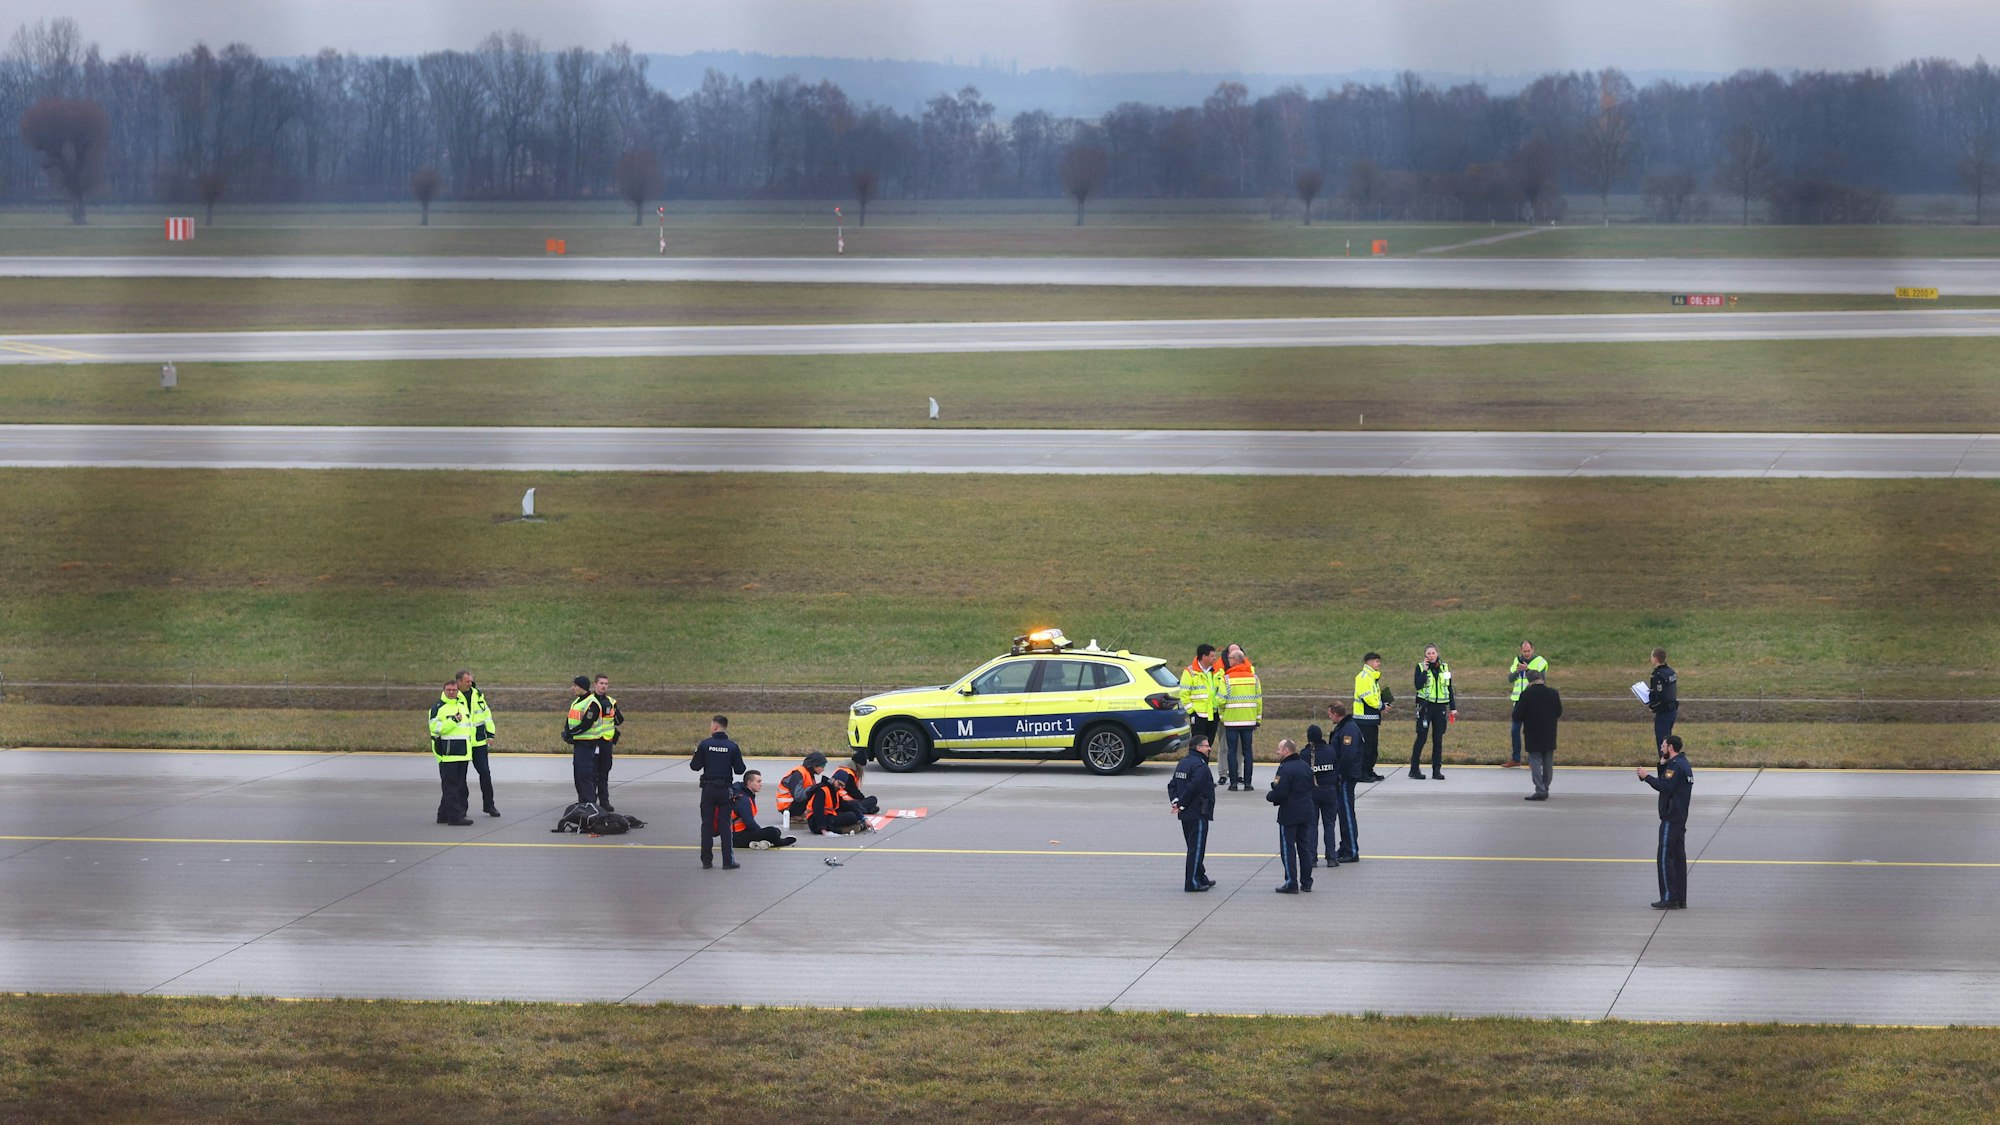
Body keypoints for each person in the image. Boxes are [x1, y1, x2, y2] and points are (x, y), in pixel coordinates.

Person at [1638, 735, 1694, 909]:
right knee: (1678, 858)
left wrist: (1647, 776)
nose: (1661, 748)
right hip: (1679, 817)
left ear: (1670, 747)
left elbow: (1665, 786)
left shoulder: (1676, 766)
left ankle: (1669, 897)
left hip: (1671, 817)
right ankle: (1679, 898)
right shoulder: (1681, 764)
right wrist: (1661, 764)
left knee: (1664, 857)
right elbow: (1668, 781)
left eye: (1663, 745)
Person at [690, 714, 746, 869]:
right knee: (725, 826)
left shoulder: (704, 745)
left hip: (708, 789)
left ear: (714, 727)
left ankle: (706, 861)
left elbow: (694, 766)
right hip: (725, 790)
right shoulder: (732, 746)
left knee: (706, 825)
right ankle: (728, 861)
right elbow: (740, 769)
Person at [1167, 735, 1217, 892]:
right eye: (1206, 745)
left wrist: (1176, 801)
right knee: (1197, 848)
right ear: (1198, 748)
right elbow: (1194, 787)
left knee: (1193, 846)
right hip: (1197, 812)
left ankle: (1201, 876)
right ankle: (1192, 882)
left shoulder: (1183, 763)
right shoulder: (1200, 766)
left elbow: (1172, 785)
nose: (1209, 748)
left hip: (1186, 813)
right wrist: (1181, 804)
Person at [1267, 739, 1314, 893]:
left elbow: (1280, 792)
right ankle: (1307, 882)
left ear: (1287, 751)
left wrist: (1270, 796)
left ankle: (1291, 882)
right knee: (1304, 847)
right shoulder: (1305, 766)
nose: (1277, 752)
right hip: (1306, 812)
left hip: (1289, 814)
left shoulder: (1285, 769)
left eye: (1279, 749)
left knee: (1288, 848)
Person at [427, 678, 475, 826]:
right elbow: (435, 728)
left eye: (454, 690)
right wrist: (453, 720)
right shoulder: (438, 708)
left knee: (457, 786)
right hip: (448, 755)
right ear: (444, 690)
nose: (452, 692)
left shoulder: (462, 705)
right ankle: (455, 817)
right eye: (449, 690)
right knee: (451, 787)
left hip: (463, 753)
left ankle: (443, 815)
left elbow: (468, 727)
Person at [1511, 669, 1563, 800]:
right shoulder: (1553, 693)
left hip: (1533, 732)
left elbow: (1517, 715)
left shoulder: (1527, 694)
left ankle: (1540, 789)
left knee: (1535, 760)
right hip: (1550, 732)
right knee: (1548, 762)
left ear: (1529, 680)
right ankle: (1545, 788)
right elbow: (1558, 712)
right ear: (1541, 678)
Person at [1219, 644, 1263, 791]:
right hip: (1249, 720)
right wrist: (1257, 719)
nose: (1228, 660)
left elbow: (1221, 700)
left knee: (1231, 751)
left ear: (1236, 660)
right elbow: (1258, 700)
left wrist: (1222, 713)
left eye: (1230, 658)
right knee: (1247, 751)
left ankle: (1233, 783)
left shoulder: (1227, 679)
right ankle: (1248, 783)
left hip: (1232, 720)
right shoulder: (1254, 679)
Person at [455, 669, 499, 817]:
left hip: (479, 742)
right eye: (467, 681)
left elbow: (487, 716)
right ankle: (462, 808)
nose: (470, 683)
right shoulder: (453, 697)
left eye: (471, 681)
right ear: (459, 682)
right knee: (461, 778)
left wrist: (490, 734)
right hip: (461, 743)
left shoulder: (478, 695)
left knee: (485, 773)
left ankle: (489, 805)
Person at [1300, 723, 1344, 871]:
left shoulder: (1305, 754)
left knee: (1312, 826)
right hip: (1330, 791)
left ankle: (1312, 858)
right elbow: (1337, 769)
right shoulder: (1331, 751)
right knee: (1329, 825)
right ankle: (1331, 857)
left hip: (1312, 793)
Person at [562, 676, 610, 806]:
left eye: (575, 686)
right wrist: (567, 732)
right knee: (578, 776)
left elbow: (586, 724)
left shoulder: (592, 703)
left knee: (585, 776)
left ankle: (590, 805)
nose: (573, 688)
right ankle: (582, 804)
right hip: (578, 744)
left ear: (582, 687)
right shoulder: (577, 701)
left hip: (588, 745)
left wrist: (571, 734)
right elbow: (570, 719)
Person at [1325, 702, 1365, 862]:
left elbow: (1347, 755)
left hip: (1346, 777)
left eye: (1329, 713)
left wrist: (1339, 773)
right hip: (1344, 776)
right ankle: (1345, 846)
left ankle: (1352, 850)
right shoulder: (1344, 727)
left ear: (1335, 713)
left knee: (1347, 813)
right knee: (1343, 813)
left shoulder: (1348, 730)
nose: (1329, 716)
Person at [1409, 644, 1455, 780]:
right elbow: (1418, 685)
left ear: (1437, 653)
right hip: (1425, 707)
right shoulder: (1420, 667)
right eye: (1428, 653)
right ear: (1425, 655)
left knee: (1438, 739)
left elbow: (1449, 688)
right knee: (1421, 737)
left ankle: (1436, 770)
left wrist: (1453, 707)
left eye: (1433, 653)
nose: (1431, 656)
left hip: (1440, 707)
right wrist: (1424, 670)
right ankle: (1414, 769)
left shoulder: (1444, 668)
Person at [1504, 642, 1548, 769]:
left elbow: (1542, 679)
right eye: (1524, 651)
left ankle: (1534, 760)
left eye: (1528, 651)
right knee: (1514, 730)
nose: (1526, 654)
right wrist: (1517, 671)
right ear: (1521, 651)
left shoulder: (1540, 662)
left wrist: (1527, 669)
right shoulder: (1516, 660)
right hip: (1519, 700)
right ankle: (1515, 759)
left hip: (1534, 700)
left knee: (1532, 731)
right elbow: (1510, 679)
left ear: (1533, 650)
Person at [731, 770, 796, 850]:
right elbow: (749, 823)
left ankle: (761, 843)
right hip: (738, 837)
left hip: (739, 834)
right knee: (773, 831)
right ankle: (778, 842)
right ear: (749, 783)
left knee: (776, 831)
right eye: (758, 782)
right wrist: (760, 833)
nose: (761, 784)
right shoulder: (744, 800)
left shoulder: (745, 796)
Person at [1352, 652, 1392, 782]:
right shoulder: (1363, 677)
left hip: (1372, 718)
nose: (1379, 664)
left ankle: (1369, 770)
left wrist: (1383, 703)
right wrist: (1381, 706)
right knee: (1366, 747)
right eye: (1376, 661)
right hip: (1364, 719)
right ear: (1369, 662)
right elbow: (1368, 698)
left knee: (1373, 747)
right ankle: (1362, 772)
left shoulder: (1372, 678)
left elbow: (1374, 696)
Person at [590, 674, 624, 811]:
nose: (604, 686)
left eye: (606, 684)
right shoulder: (589, 701)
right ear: (595, 685)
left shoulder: (611, 702)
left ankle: (604, 801)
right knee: (592, 774)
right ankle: (591, 802)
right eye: (601, 683)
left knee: (604, 773)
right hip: (593, 743)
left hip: (606, 743)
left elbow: (619, 720)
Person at [1179, 644, 1224, 748]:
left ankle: (1204, 764)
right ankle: (1196, 764)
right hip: (1198, 715)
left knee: (1208, 745)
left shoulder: (1218, 671)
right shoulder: (1190, 672)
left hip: (1213, 714)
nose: (1215, 658)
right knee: (1197, 745)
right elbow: (1184, 694)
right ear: (1204, 657)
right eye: (1212, 656)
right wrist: (1192, 712)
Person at [776, 751, 828, 825]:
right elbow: (798, 796)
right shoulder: (798, 773)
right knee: (815, 791)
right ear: (814, 765)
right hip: (788, 807)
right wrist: (813, 788)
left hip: (792, 805)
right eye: (822, 766)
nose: (823, 769)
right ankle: (795, 816)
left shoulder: (809, 774)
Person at [1646, 648, 1679, 750]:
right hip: (1672, 710)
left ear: (1655, 659)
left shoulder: (1658, 675)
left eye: (1652, 657)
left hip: (1663, 713)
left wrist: (1652, 707)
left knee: (1663, 744)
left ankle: (1665, 765)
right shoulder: (1670, 671)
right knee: (1668, 741)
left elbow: (1660, 697)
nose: (1651, 659)